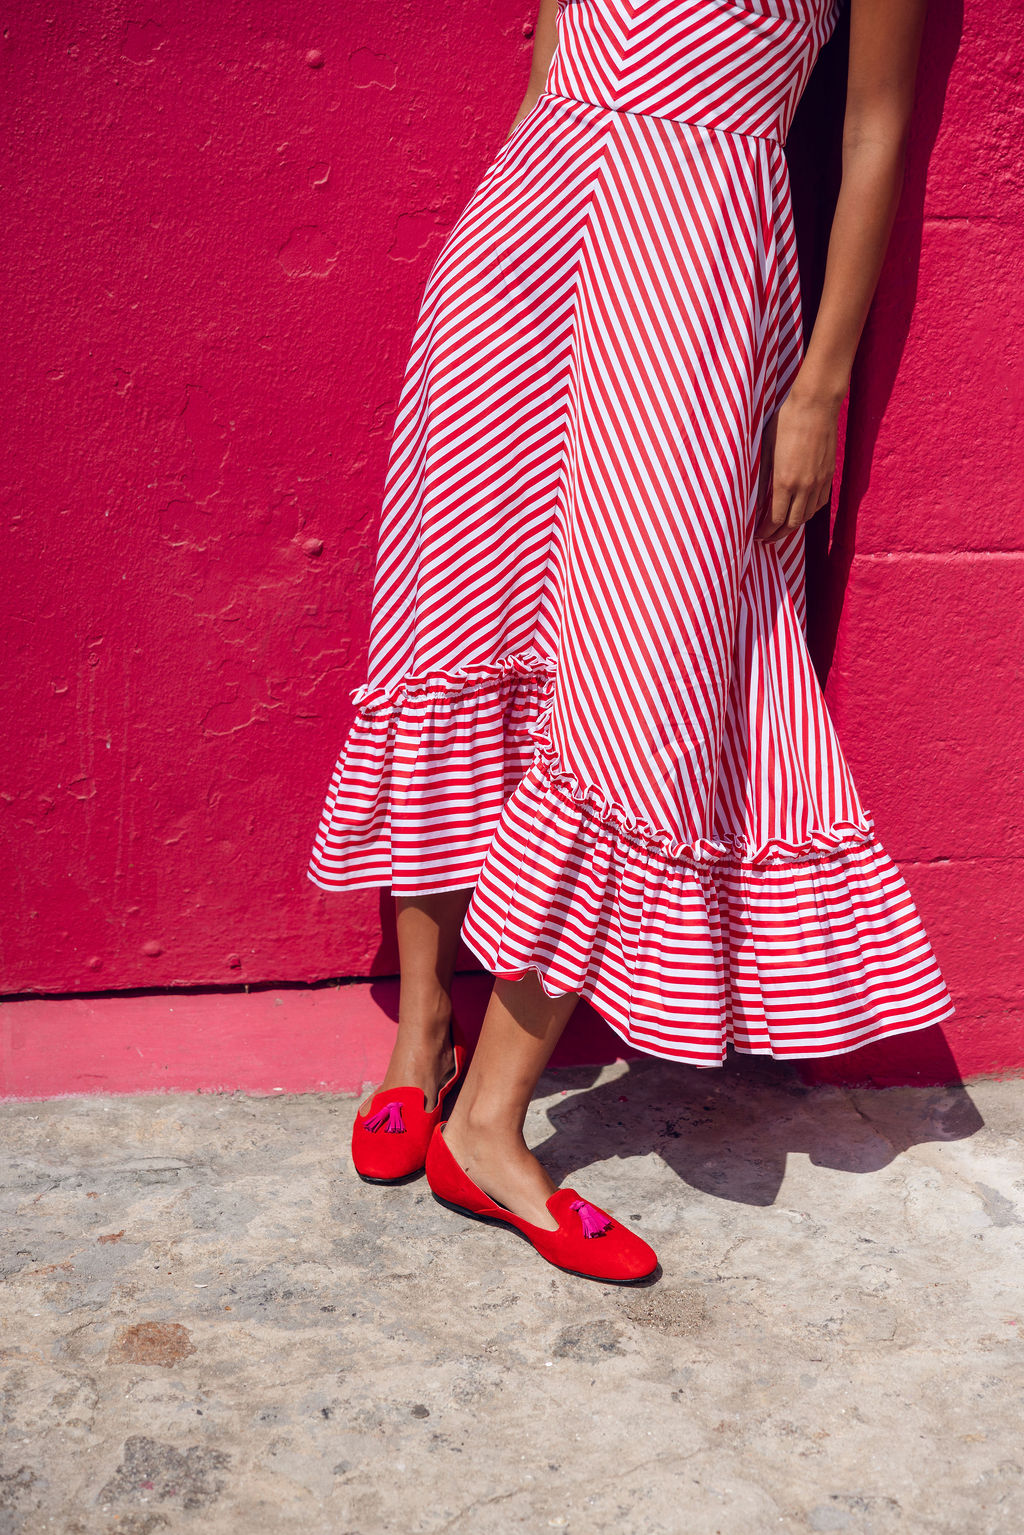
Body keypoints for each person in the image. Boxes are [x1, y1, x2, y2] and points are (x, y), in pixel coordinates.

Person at [307, 0, 953, 1283]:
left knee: (642, 672)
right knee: (458, 608)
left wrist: (816, 384)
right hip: (520, 250)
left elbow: (875, 131)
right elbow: (554, 51)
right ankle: (420, 1037)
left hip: (700, 278)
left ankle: (490, 1121)